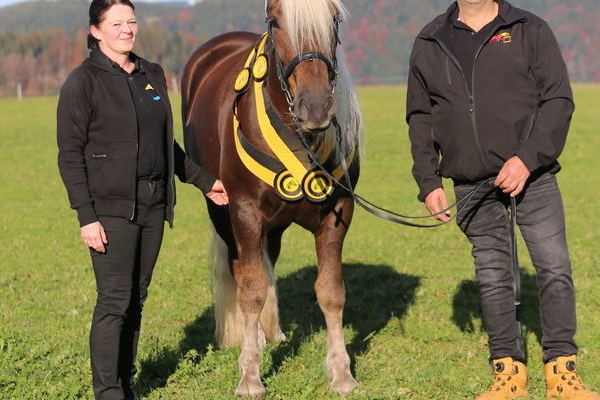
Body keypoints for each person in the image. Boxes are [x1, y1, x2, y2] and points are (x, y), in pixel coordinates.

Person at [406, 0, 598, 399]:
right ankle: (508, 375)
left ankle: (562, 372)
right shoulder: (430, 39)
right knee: (494, 277)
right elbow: (420, 116)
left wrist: (527, 159)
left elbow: (558, 100)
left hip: (535, 177)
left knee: (554, 267)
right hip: (470, 185)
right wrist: (429, 181)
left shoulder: (530, 28)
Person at [57, 1, 228, 398]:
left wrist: (203, 181)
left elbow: (164, 144)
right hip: (110, 207)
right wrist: (87, 217)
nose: (127, 29)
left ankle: (126, 382)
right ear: (96, 31)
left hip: (153, 204)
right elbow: (69, 155)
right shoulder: (82, 82)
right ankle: (108, 391)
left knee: (136, 298)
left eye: (131, 21)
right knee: (114, 301)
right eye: (116, 23)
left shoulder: (151, 74)